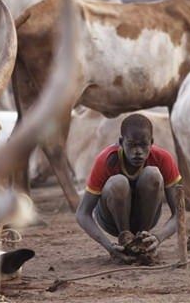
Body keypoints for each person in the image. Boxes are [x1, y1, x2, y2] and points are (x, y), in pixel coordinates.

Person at [76, 113, 182, 264]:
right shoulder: (106, 159)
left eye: (143, 145)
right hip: (111, 221)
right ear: (121, 142)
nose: (138, 151)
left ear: (151, 143)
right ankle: (125, 241)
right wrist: (108, 246)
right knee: (118, 182)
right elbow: (82, 213)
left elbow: (179, 212)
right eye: (132, 145)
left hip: (147, 219)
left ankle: (142, 241)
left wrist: (159, 238)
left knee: (153, 174)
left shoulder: (163, 158)